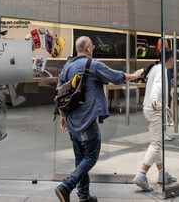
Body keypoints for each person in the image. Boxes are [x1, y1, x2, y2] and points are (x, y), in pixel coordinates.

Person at [55, 36, 143, 202]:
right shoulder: (93, 65)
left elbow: (59, 94)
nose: (94, 48)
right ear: (88, 48)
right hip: (87, 121)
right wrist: (136, 75)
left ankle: (84, 197)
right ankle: (66, 186)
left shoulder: (67, 66)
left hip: (72, 122)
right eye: (93, 45)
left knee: (80, 160)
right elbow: (117, 77)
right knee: (90, 157)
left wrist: (62, 116)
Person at [133, 50, 177, 192]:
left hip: (150, 109)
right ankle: (141, 174)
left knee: (156, 142)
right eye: (174, 59)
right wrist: (155, 101)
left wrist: (164, 104)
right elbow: (157, 88)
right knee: (156, 144)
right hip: (154, 110)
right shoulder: (161, 70)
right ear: (170, 59)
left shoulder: (155, 68)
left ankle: (162, 173)